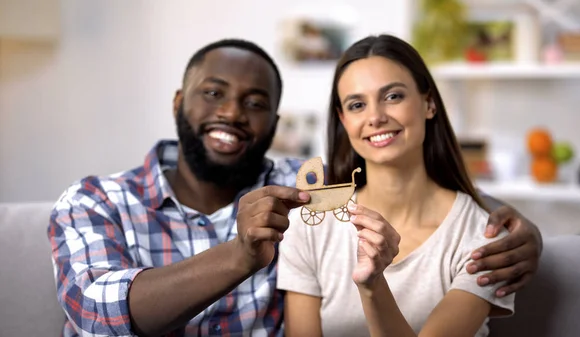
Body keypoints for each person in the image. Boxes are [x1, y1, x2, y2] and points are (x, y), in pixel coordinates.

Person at [47, 38, 541, 337]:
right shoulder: (96, 202)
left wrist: (522, 230)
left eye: (255, 102)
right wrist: (241, 254)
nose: (233, 113)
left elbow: (405, 182)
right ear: (180, 101)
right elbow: (98, 316)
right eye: (213, 93)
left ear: (275, 121)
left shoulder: (302, 193)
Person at [277, 34, 529, 337]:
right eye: (357, 105)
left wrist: (372, 287)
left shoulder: (483, 238)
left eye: (393, 96)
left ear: (429, 104)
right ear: (344, 121)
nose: (376, 117)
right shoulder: (309, 228)